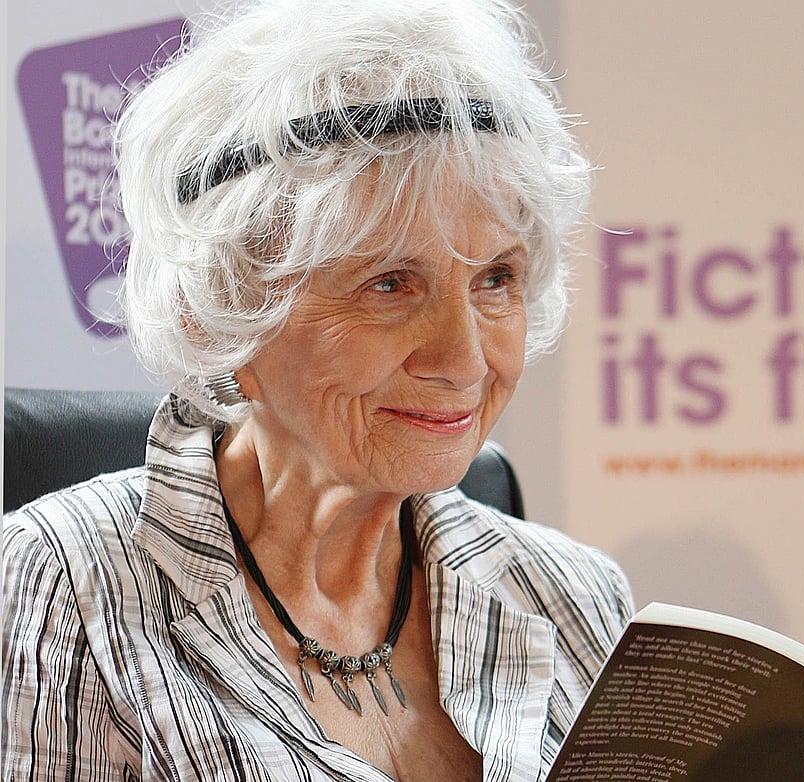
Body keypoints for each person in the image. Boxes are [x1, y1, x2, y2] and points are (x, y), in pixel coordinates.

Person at [1, 0, 634, 779]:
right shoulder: (65, 585)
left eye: (496, 278)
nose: (464, 359)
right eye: (391, 284)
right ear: (226, 308)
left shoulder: (574, 597)